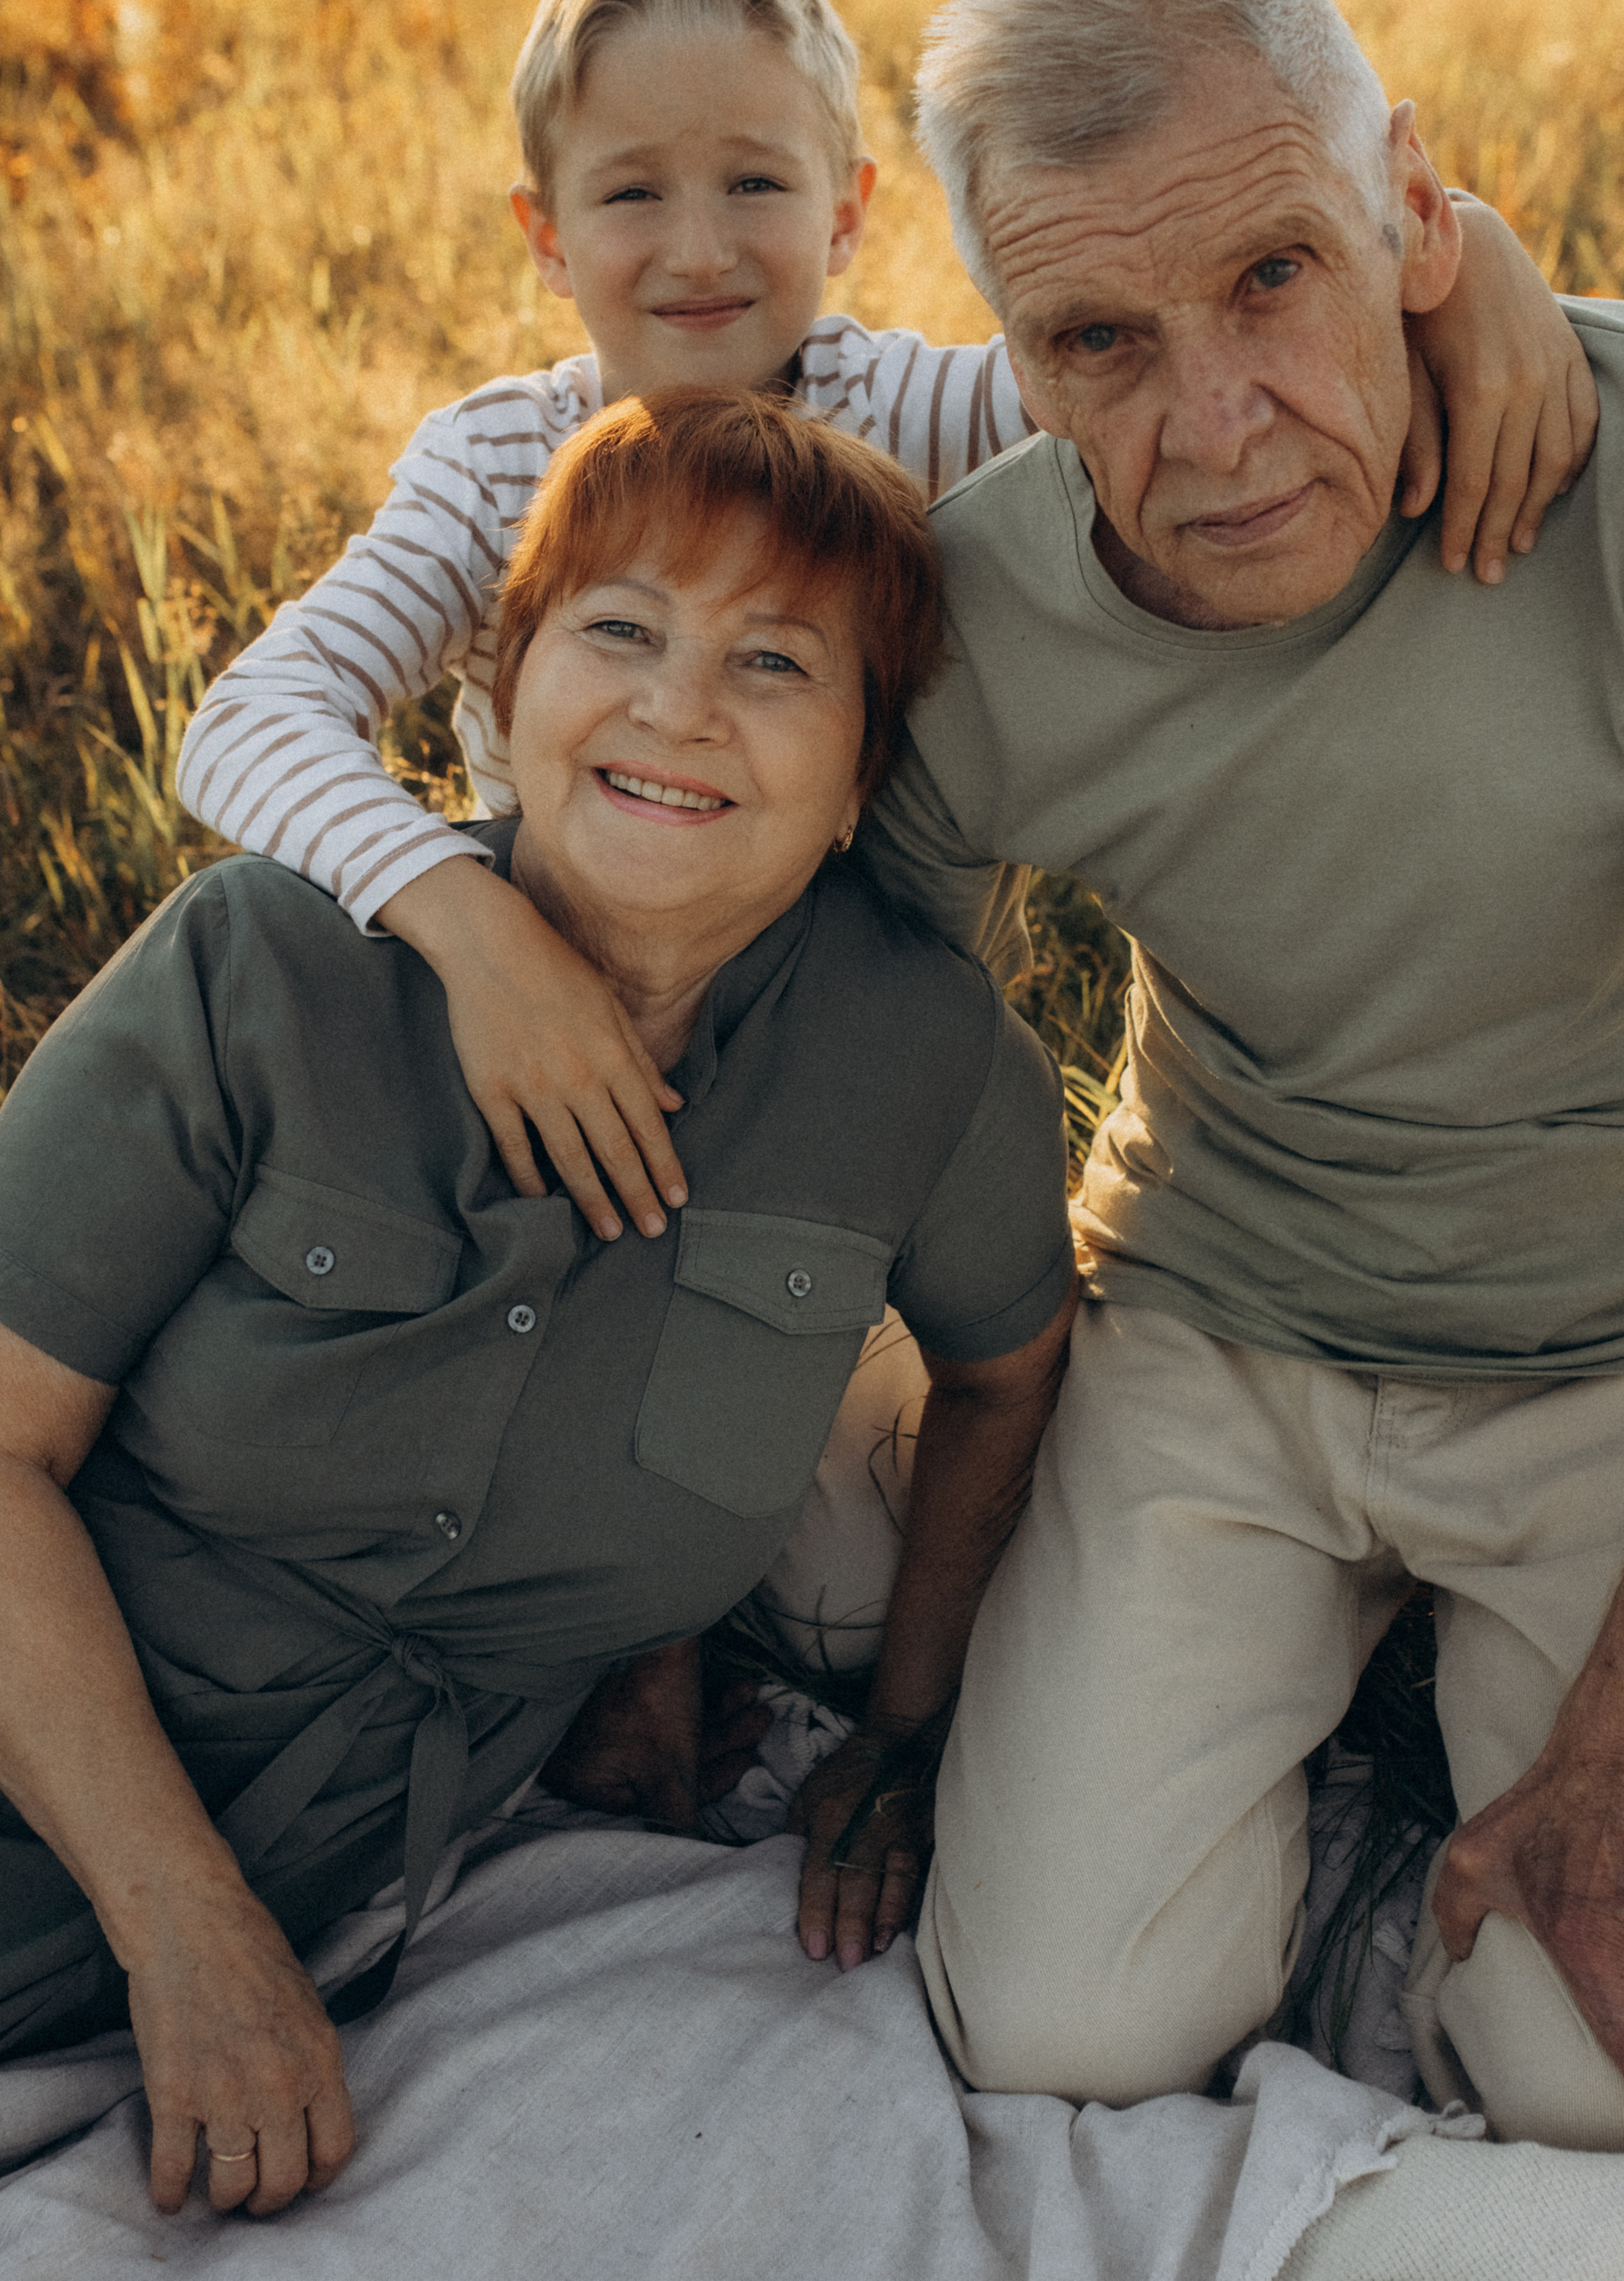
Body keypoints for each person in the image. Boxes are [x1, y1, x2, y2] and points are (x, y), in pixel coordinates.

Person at [846, 0, 1624, 2166]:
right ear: (1012, 357)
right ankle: (1341, 1776)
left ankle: (1495, 1741)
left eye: (1275, 278)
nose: (1216, 427)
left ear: (1417, 204)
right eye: (1098, 341)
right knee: (1051, 2024)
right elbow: (828, 1034)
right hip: (1221, 1315)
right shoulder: (982, 605)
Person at [0, 391, 1076, 2219]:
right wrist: (189, 1934)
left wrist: (902, 1733)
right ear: (502, 689)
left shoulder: (923, 1065)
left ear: (863, 774)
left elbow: (1006, 1374)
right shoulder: (260, 963)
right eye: (621, 630)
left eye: (774, 661)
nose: (677, 706)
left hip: (389, 1884)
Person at [174, 0, 1595, 1256]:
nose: (700, 247)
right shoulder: (497, 463)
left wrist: (1463, 257)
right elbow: (249, 721)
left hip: (845, 1045)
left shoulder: (914, 413)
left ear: (847, 210)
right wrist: (481, 940)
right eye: (629, 192)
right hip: (557, 1015)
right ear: (546, 232)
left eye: (755, 181)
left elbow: (1153, 350)